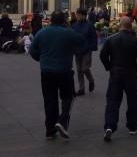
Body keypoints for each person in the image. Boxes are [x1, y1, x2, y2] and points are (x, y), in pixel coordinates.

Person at [29, 11, 85, 139]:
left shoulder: (42, 33)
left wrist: (41, 59)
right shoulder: (68, 32)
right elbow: (82, 40)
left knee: (49, 100)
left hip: (47, 71)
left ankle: (50, 129)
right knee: (68, 97)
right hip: (64, 71)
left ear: (50, 20)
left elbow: (32, 50)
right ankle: (62, 121)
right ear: (64, 21)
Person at [99, 16, 137, 142]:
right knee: (132, 99)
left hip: (115, 73)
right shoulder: (136, 41)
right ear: (131, 26)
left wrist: (108, 67)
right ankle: (132, 126)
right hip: (130, 73)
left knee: (112, 100)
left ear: (120, 25)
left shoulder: (111, 39)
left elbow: (103, 55)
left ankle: (110, 125)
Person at [72, 8, 98, 96]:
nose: (77, 16)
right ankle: (81, 89)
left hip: (87, 50)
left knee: (85, 68)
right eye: (77, 15)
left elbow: (94, 37)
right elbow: (72, 37)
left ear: (83, 15)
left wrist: (93, 47)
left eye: (78, 15)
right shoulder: (74, 25)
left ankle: (91, 80)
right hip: (77, 50)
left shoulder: (89, 25)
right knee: (79, 70)